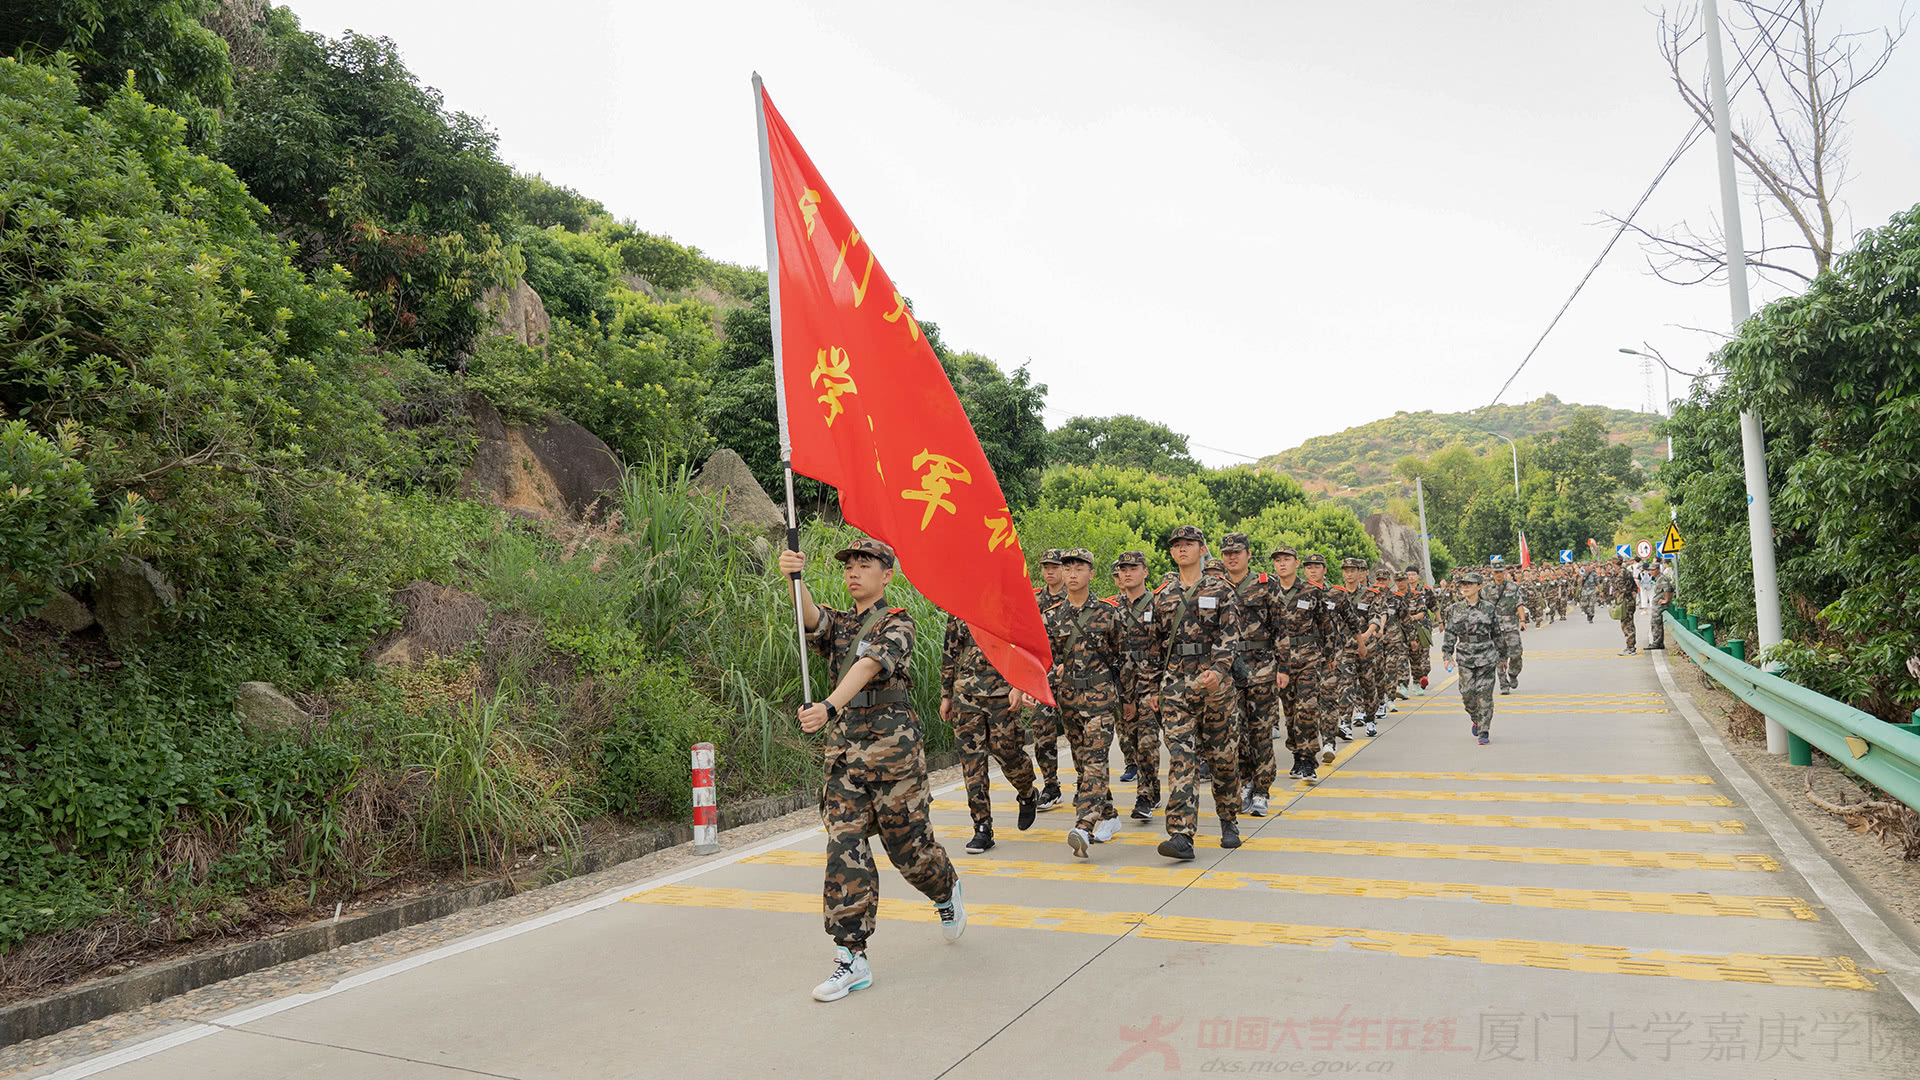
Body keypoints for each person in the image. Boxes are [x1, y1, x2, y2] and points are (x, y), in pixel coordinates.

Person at [778, 539, 964, 1003]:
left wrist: (828, 705)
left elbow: (867, 665)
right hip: (845, 758)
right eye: (850, 566)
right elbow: (811, 621)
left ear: (888, 574)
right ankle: (851, 956)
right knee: (844, 847)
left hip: (893, 757)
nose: (854, 572)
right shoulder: (841, 623)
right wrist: (792, 578)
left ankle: (945, 889)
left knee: (911, 853)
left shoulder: (899, 621)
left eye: (866, 565)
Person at [1017, 549, 1126, 858]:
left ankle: (1084, 825)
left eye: (1079, 567)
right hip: (1069, 701)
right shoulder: (1051, 617)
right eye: (1068, 568)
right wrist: (1031, 687)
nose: (1072, 573)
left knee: (1094, 761)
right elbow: (1043, 660)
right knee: (1084, 764)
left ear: (1092, 573)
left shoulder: (1108, 613)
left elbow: (1122, 657)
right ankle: (1110, 815)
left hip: (1101, 701)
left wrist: (1127, 699)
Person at [1147, 525, 1243, 860]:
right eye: (1177, 546)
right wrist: (1151, 687)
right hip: (1176, 687)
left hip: (1215, 687)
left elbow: (1231, 637)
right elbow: (1154, 645)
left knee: (1222, 758)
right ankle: (1181, 835)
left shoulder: (1221, 590)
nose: (1183, 550)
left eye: (1189, 544)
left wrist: (1218, 670)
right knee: (1181, 759)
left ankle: (1229, 818)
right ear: (1172, 552)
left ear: (1202, 549)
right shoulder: (1162, 596)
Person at [940, 615, 1039, 854]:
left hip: (1003, 694)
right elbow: (950, 653)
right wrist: (946, 695)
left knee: (1008, 753)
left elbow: (1025, 647)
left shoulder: (1007, 607)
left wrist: (1019, 685)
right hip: (966, 697)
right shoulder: (959, 610)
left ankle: (1027, 792)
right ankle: (982, 827)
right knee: (971, 764)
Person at [1219, 532, 1287, 816]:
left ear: (1248, 554)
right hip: (1229, 671)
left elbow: (1281, 627)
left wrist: (1284, 667)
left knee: (1260, 732)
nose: (1232, 557)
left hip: (1261, 668)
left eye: (1237, 552)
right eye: (1227, 553)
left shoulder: (1266, 584)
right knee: (1235, 733)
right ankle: (1245, 782)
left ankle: (1262, 790)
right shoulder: (1215, 587)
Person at [1271, 545, 1331, 783]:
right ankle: (1296, 753)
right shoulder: (1269, 592)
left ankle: (1308, 758)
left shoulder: (1311, 591)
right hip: (1281, 662)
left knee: (1307, 707)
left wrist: (1330, 656)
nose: (1282, 564)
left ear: (1296, 563)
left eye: (1286, 559)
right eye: (1278, 560)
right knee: (1291, 711)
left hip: (1308, 658)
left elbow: (1325, 625)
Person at [1108, 552, 1160, 810]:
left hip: (1151, 684)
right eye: (1123, 568)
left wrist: (1158, 687)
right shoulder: (1111, 609)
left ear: (1145, 572)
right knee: (1132, 741)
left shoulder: (1158, 604)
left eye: (1133, 568)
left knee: (1148, 742)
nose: (1127, 573)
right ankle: (1152, 788)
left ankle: (1146, 796)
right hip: (1123, 687)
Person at [1442, 571, 1507, 745]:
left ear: (1479, 586)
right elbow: (1449, 633)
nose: (1465, 587)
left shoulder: (1489, 608)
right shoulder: (1455, 609)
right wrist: (1447, 654)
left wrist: (1503, 657)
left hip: (1486, 656)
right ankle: (1476, 718)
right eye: (1463, 585)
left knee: (1484, 695)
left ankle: (1484, 731)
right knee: (1467, 693)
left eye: (1469, 584)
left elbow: (1497, 634)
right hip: (1465, 656)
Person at [1030, 550, 1068, 809]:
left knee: (1078, 735)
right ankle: (1051, 785)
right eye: (1045, 567)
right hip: (1043, 676)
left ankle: (1087, 784)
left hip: (1071, 674)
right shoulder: (1033, 599)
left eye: (1054, 566)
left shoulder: (1075, 598)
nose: (1049, 571)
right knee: (1042, 731)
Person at [1487, 563, 1527, 694]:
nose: (1498, 574)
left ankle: (1513, 673)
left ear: (1504, 571)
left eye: (1500, 571)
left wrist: (1522, 620)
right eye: (1496, 572)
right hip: (1495, 628)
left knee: (1516, 654)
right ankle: (1503, 684)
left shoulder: (1513, 587)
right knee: (1498, 657)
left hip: (1511, 626)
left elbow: (1519, 603)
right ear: (1492, 573)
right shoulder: (1487, 589)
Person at [1400, 568, 1433, 696]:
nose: (1410, 577)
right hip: (1401, 632)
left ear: (1418, 576)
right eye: (1407, 575)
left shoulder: (1422, 592)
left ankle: (1420, 679)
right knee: (1401, 659)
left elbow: (1431, 608)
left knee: (1419, 657)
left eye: (1413, 574)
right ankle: (1402, 685)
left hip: (1420, 629)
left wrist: (1440, 622)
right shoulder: (1395, 595)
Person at [1613, 555, 1639, 655]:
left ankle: (1631, 648)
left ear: (1615, 564)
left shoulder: (1620, 574)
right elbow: (1634, 587)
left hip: (1625, 602)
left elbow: (1622, 590)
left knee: (1627, 625)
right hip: (1629, 601)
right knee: (1628, 623)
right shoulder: (1627, 572)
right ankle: (1630, 646)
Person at [1649, 565, 1675, 650]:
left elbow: (1668, 589)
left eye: (1653, 570)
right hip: (1657, 603)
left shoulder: (1661, 578)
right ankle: (1659, 642)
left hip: (1660, 604)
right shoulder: (1658, 578)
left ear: (1658, 570)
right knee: (1656, 623)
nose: (1651, 572)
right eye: (1650, 570)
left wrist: (1666, 600)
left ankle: (1656, 643)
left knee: (1655, 623)